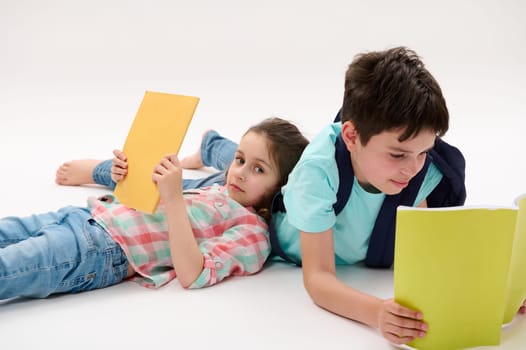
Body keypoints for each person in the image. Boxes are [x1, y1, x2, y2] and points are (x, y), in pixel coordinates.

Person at [0, 117, 309, 300]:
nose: (239, 172)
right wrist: (126, 173)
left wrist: (173, 198)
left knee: (10, 267)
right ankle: (203, 149)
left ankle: (207, 147)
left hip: (103, 249)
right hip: (87, 215)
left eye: (258, 170)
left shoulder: (254, 233)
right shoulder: (220, 188)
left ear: (281, 188)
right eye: (239, 159)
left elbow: (195, 274)